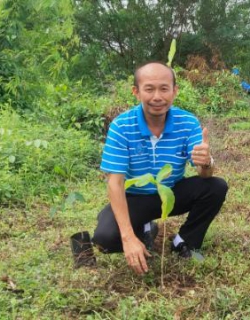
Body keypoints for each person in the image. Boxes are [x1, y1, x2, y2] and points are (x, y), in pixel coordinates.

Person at [92, 62, 228, 274]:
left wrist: (206, 162)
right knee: (105, 239)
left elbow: (204, 174)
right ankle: (146, 229)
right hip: (135, 197)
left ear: (174, 91)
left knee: (216, 186)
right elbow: (115, 182)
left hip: (170, 193)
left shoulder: (187, 122)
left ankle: (185, 242)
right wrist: (128, 237)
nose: (157, 96)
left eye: (164, 88)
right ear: (136, 92)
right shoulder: (121, 126)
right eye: (149, 89)